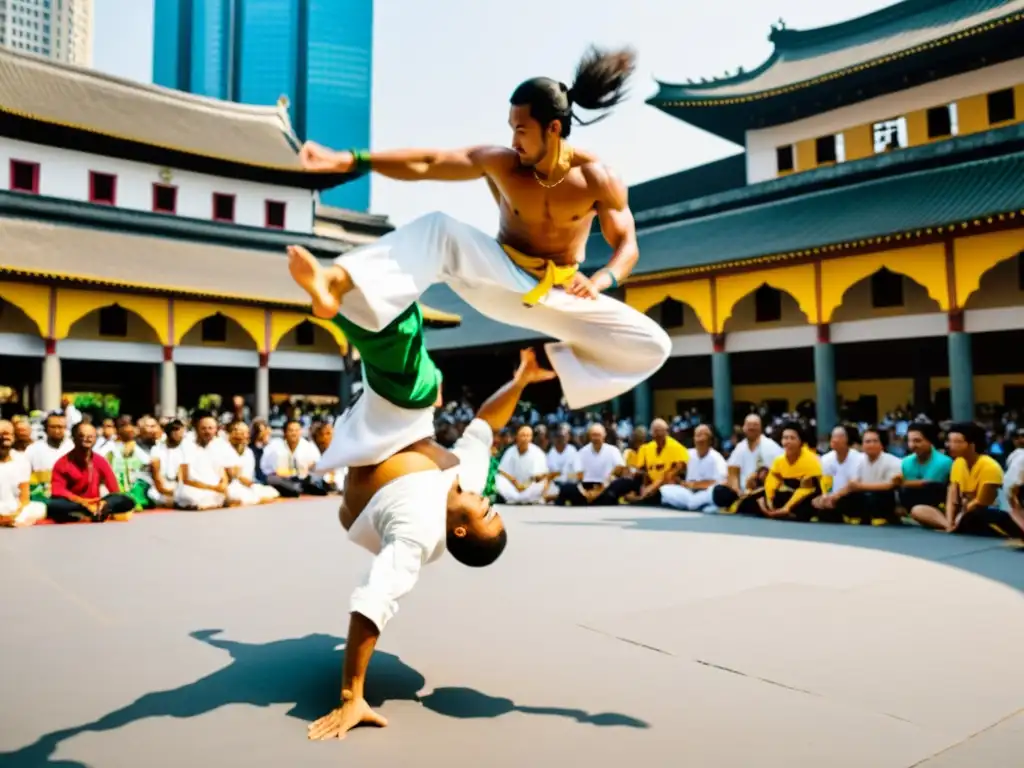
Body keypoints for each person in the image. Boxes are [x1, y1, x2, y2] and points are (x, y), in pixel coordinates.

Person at [289, 45, 670, 413]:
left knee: (654, 344)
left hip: (560, 295)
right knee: (439, 229)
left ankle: (545, 365)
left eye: (521, 130)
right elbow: (430, 161)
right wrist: (352, 159)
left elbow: (627, 245)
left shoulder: (598, 178)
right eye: (511, 128)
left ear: (553, 128)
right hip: (499, 277)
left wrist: (600, 280)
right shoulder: (503, 164)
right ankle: (335, 282)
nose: (513, 141)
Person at [303, 288, 554, 739]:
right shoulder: (470, 481)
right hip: (380, 424)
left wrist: (351, 696)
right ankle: (365, 299)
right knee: (424, 377)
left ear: (460, 530)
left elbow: (372, 604)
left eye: (488, 515)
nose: (489, 503)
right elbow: (484, 425)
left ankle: (361, 305)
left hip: (371, 458)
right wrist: (520, 381)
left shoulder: (418, 531)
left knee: (419, 385)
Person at [47, 422, 136, 523]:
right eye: (82, 435)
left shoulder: (100, 461)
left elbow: (114, 490)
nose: (87, 438)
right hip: (75, 504)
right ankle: (88, 513)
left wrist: (105, 503)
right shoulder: (62, 463)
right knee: (52, 505)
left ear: (95, 439)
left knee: (127, 500)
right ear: (74, 438)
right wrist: (83, 503)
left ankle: (100, 511)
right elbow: (58, 491)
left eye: (91, 436)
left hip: (97, 503)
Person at [759, 423, 823, 521]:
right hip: (789, 493)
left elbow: (806, 489)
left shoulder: (812, 460)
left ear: (800, 441)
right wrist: (769, 502)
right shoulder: (779, 461)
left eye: (792, 438)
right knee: (764, 494)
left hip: (807, 495)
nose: (788, 441)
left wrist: (787, 507)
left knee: (809, 505)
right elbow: (771, 483)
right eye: (785, 438)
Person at [660, 424, 727, 512]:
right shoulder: (688, 454)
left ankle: (695, 505)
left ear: (710, 440)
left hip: (705, 493)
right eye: (697, 435)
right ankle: (698, 506)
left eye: (702, 435)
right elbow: (673, 472)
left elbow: (720, 483)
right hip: (689, 492)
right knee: (665, 490)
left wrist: (695, 485)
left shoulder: (716, 457)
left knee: (711, 494)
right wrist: (677, 479)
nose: (699, 438)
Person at [0, 420, 47, 527]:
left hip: (15, 509)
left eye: (8, 434)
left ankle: (12, 521)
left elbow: (24, 497)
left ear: (13, 437)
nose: (4, 437)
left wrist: (17, 512)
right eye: (1, 434)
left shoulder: (21, 459)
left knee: (40, 507)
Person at [897, 422, 952, 514]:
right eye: (909, 441)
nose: (912, 445)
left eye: (917, 441)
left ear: (930, 441)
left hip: (935, 505)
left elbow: (928, 484)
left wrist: (902, 482)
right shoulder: (905, 461)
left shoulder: (944, 462)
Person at [494, 424, 550, 504]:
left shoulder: (538, 452)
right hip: (513, 488)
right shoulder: (510, 451)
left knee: (541, 483)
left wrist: (526, 485)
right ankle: (515, 499)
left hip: (529, 488)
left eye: (528, 436)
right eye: (523, 435)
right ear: (517, 437)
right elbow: (502, 472)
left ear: (531, 438)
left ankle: (526, 499)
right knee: (498, 479)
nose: (525, 438)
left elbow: (542, 475)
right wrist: (514, 482)